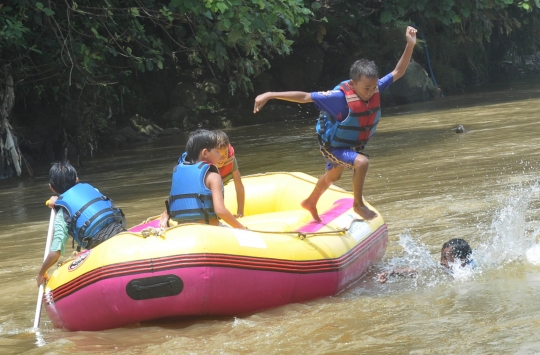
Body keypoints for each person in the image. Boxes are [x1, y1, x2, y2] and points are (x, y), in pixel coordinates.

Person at [253, 26, 418, 222]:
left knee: (333, 177)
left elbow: (398, 72)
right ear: (353, 83)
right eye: (366, 88)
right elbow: (305, 96)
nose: (371, 92)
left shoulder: (375, 89)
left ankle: (310, 201)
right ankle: (358, 204)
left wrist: (410, 44)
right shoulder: (338, 98)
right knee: (361, 162)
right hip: (332, 146)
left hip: (348, 144)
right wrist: (270, 95)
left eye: (374, 87)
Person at [36, 161, 125, 286]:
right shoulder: (92, 189)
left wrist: (41, 273)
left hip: (100, 245)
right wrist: (57, 202)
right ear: (77, 179)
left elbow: (55, 253)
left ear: (52, 187)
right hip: (121, 232)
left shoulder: (62, 214)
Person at [159, 129, 246, 229]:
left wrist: (166, 215)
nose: (220, 156)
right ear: (205, 153)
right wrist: (242, 229)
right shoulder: (213, 177)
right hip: (210, 229)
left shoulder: (178, 173)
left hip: (182, 229)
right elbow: (220, 211)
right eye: (217, 152)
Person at [377, 238, 475, 283]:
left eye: (446, 258)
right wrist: (392, 272)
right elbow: (418, 271)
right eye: (441, 257)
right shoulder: (445, 269)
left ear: (461, 260)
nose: (442, 262)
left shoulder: (470, 273)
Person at [214, 130, 245, 218]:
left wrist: (240, 212)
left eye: (225, 153)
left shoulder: (230, 160)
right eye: (218, 154)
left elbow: (239, 187)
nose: (222, 158)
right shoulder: (205, 162)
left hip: (221, 180)